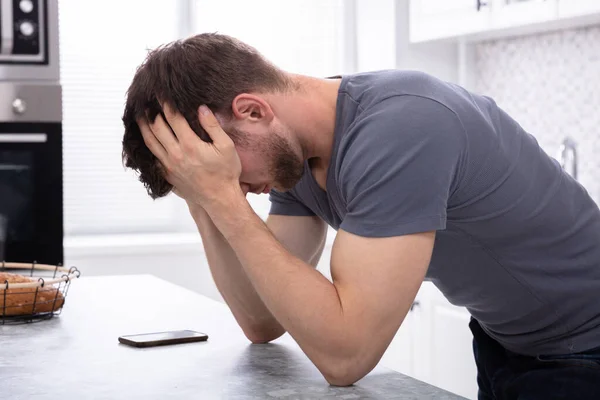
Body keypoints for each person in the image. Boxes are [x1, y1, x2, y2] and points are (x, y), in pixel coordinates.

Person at [121, 33, 600, 399]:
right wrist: (204, 201)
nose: (236, 185)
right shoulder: (295, 154)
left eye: (225, 166)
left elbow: (345, 355)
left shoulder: (401, 127)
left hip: (585, 348)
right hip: (504, 342)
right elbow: (262, 320)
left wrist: (224, 198)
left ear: (252, 110)